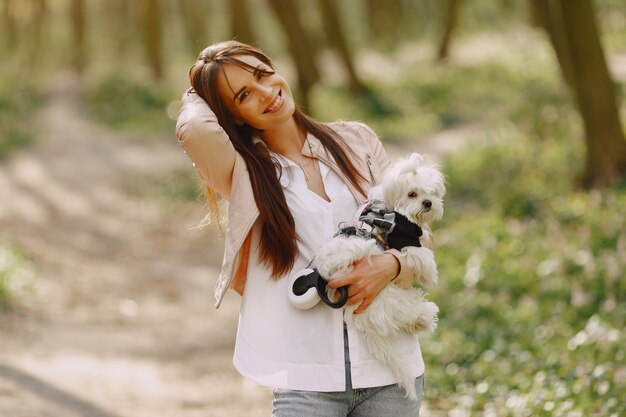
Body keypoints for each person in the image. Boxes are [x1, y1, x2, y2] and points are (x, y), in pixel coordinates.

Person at [175, 40, 432, 416]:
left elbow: (420, 237)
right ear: (233, 115)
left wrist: (390, 266)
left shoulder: (357, 141)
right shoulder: (243, 172)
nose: (267, 93)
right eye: (244, 94)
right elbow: (196, 128)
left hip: (393, 372)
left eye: (263, 74)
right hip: (306, 381)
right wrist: (205, 77)